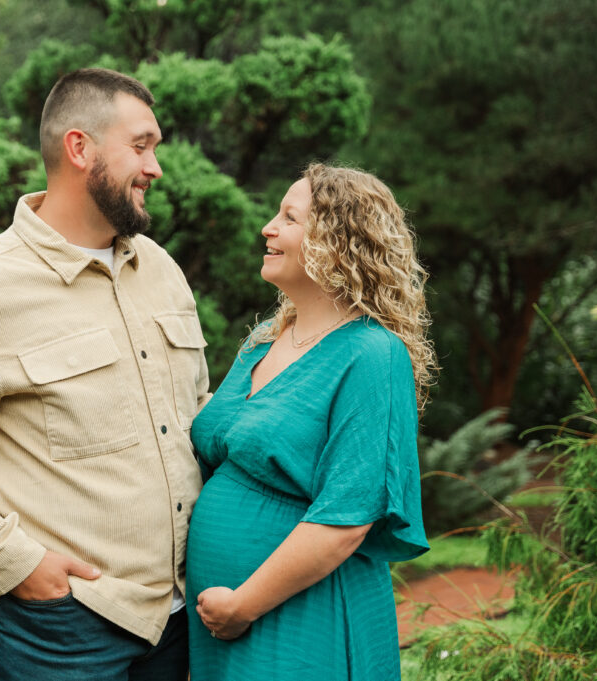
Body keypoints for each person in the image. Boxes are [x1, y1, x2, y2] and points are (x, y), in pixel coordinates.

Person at [0, 68, 210, 680]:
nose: (155, 167)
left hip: (176, 619)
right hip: (55, 627)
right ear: (79, 148)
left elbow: (194, 411)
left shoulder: (160, 270)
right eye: (141, 146)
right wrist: (14, 561)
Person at [186, 163, 436, 680]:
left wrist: (244, 605)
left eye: (289, 218)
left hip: (299, 610)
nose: (268, 228)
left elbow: (346, 517)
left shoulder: (372, 354)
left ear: (338, 242)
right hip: (220, 621)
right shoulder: (263, 340)